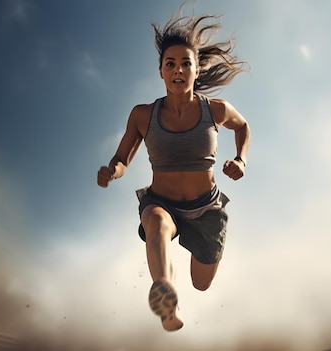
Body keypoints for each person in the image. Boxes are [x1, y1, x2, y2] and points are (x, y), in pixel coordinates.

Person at [97, 8, 250, 332]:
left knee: (202, 283)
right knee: (155, 223)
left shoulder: (217, 109)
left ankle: (182, 282)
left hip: (205, 208)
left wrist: (240, 160)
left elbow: (243, 126)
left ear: (196, 70)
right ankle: (167, 301)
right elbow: (122, 159)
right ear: (161, 72)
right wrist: (112, 172)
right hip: (161, 202)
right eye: (170, 64)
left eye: (185, 64)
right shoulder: (142, 114)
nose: (178, 69)